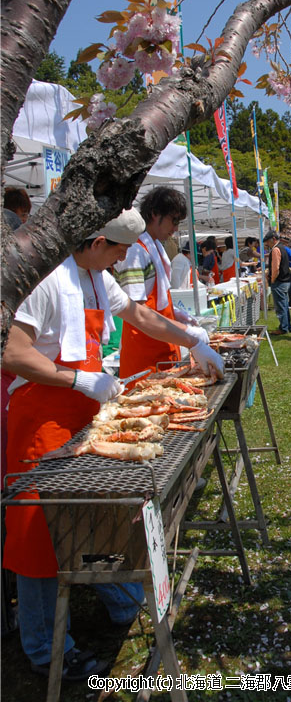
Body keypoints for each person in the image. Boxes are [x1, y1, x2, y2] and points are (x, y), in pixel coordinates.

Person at [2, 209, 224, 681]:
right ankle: (45, 646)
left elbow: (139, 315)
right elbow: (13, 353)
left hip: (84, 412)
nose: (125, 257)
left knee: (93, 513)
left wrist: (192, 339)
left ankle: (120, 597)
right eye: (119, 248)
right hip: (40, 418)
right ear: (95, 240)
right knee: (38, 531)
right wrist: (78, 378)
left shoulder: (97, 276)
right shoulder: (46, 281)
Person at [114, 187, 210, 382]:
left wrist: (175, 312)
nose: (175, 228)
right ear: (155, 214)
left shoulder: (155, 247)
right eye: (173, 221)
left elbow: (156, 300)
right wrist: (189, 334)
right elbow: (137, 311)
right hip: (144, 352)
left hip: (163, 346)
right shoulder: (134, 251)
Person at [264, 229, 291, 335]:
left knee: (280, 306)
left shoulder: (275, 250)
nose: (267, 244)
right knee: (284, 305)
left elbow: (275, 267)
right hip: (285, 281)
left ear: (273, 239)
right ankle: (287, 325)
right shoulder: (283, 248)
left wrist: (272, 279)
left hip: (279, 281)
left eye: (268, 241)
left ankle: (283, 327)